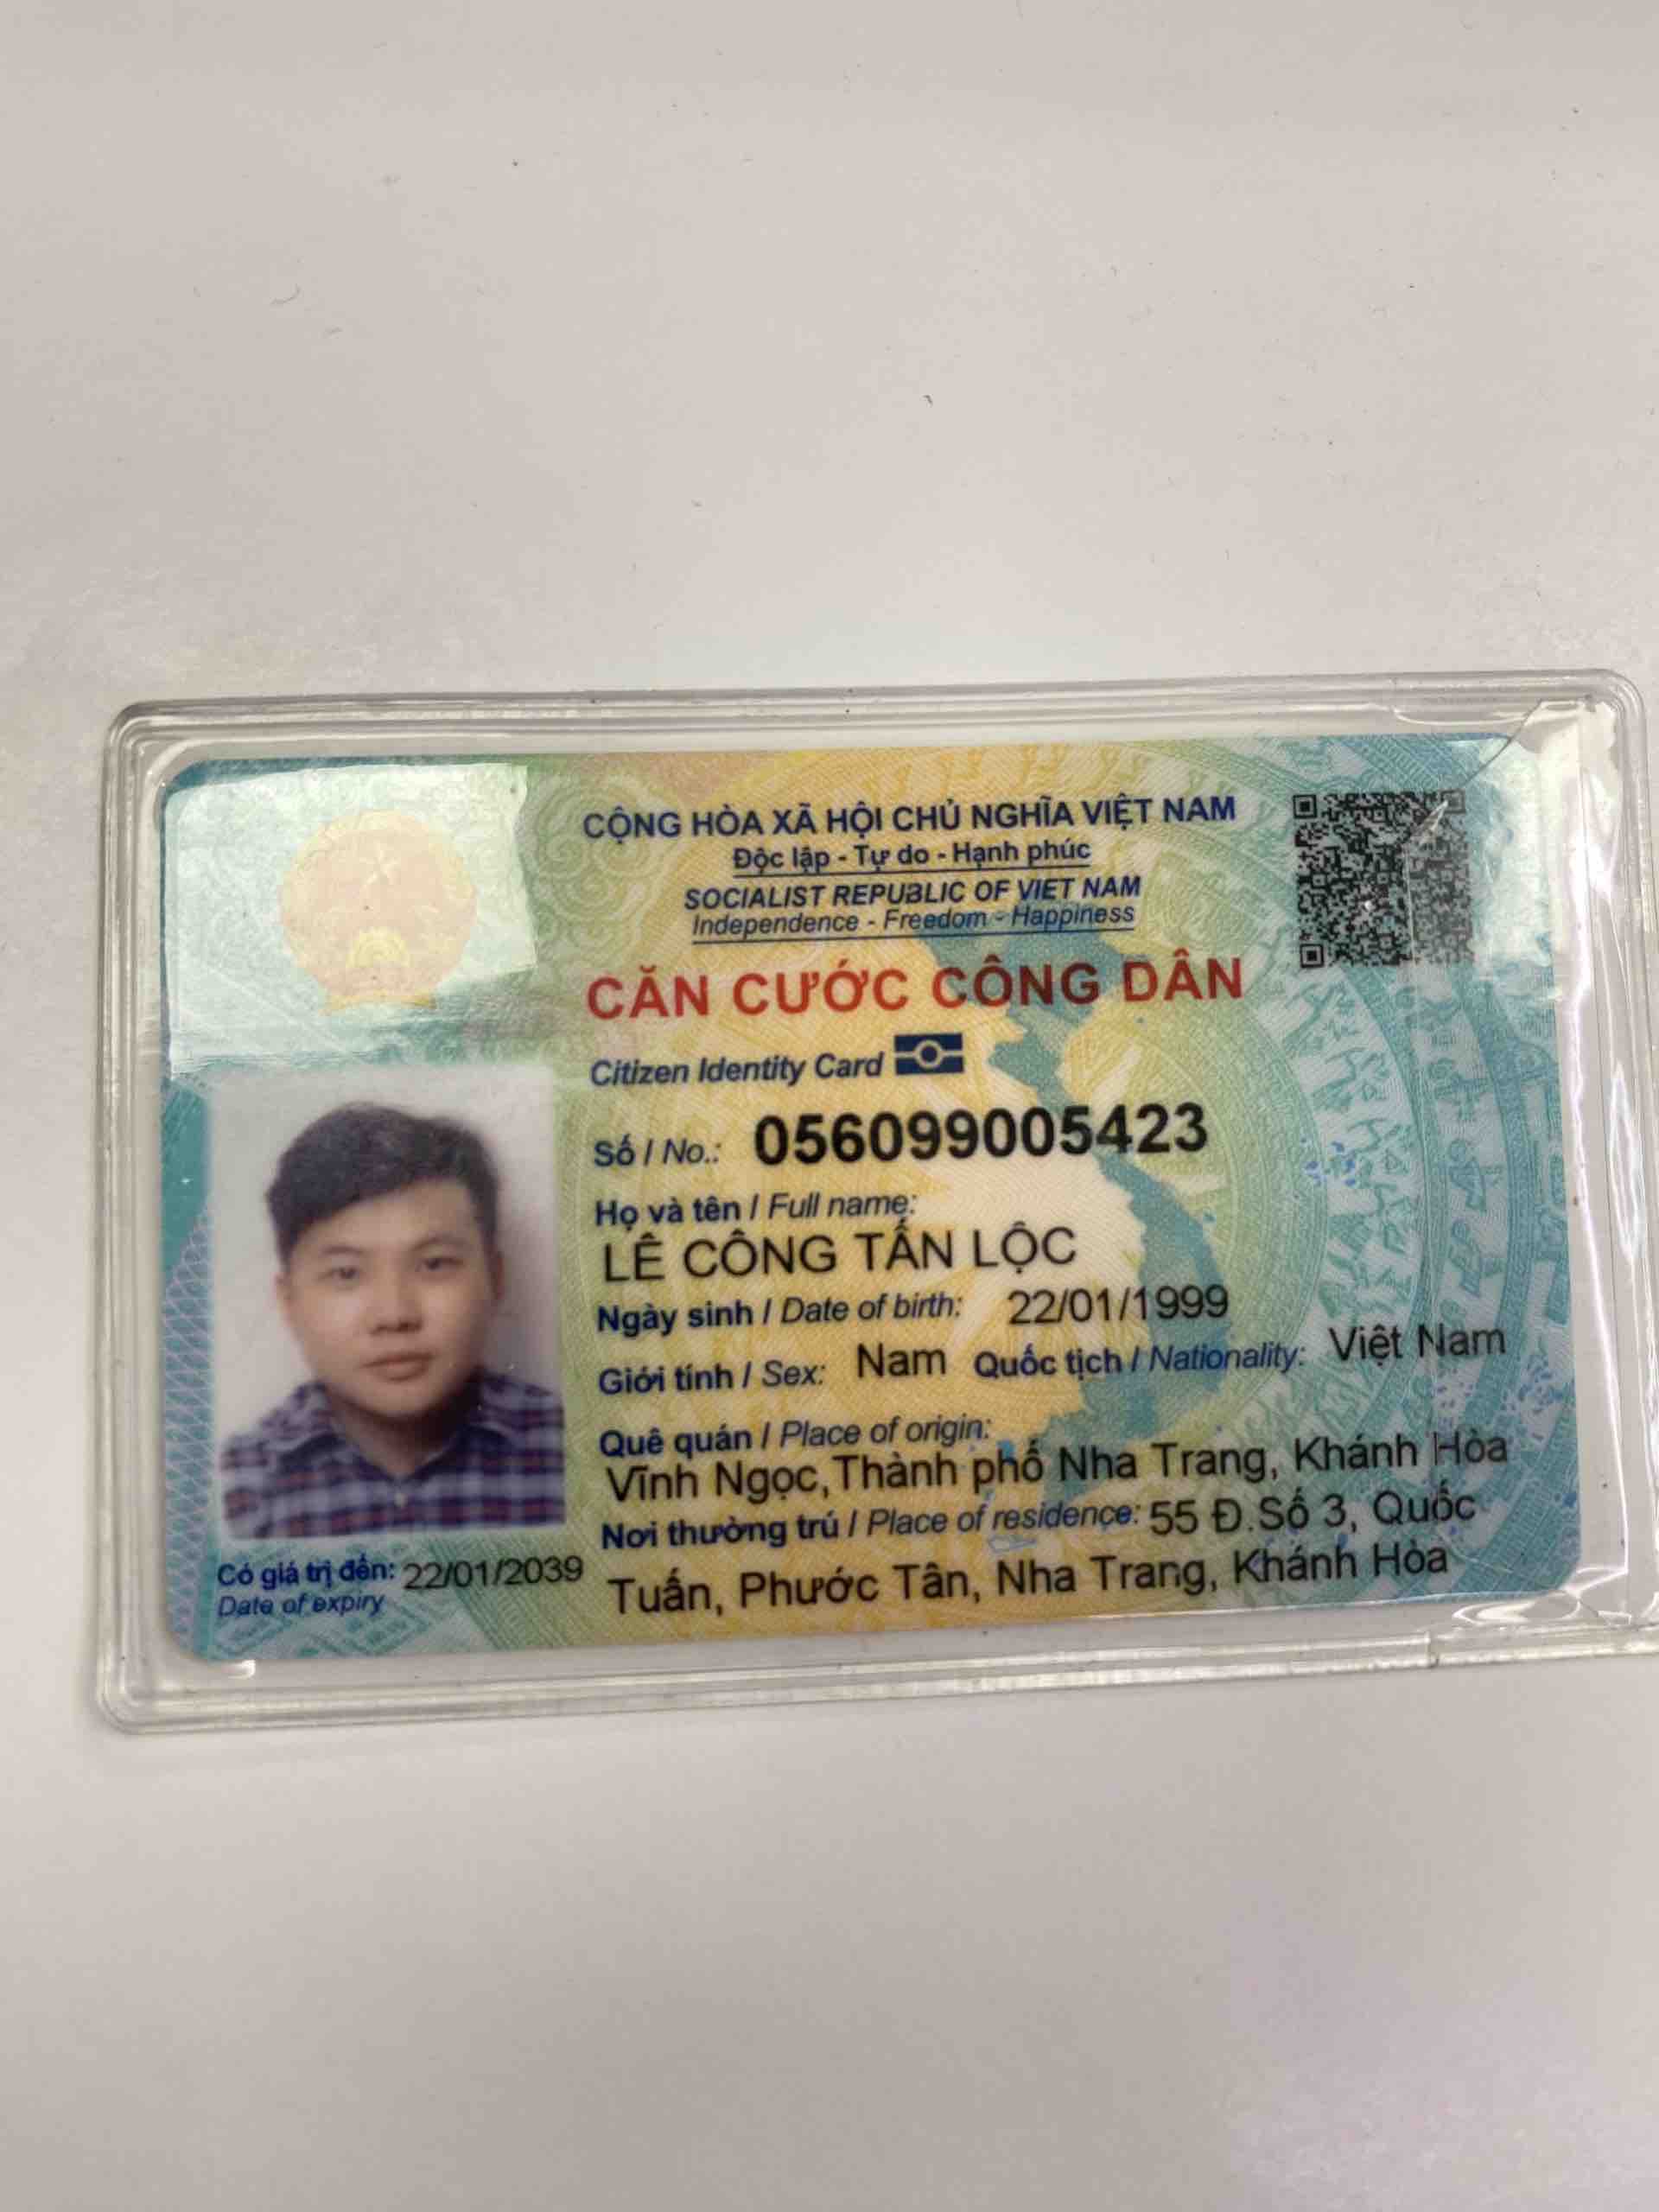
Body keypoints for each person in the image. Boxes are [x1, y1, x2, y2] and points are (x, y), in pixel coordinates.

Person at [219, 1104, 563, 1538]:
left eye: (434, 1264)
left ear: (494, 1280)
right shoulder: (234, 1487)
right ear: (289, 1301)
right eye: (347, 1273)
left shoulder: (573, 1453)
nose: (395, 1315)